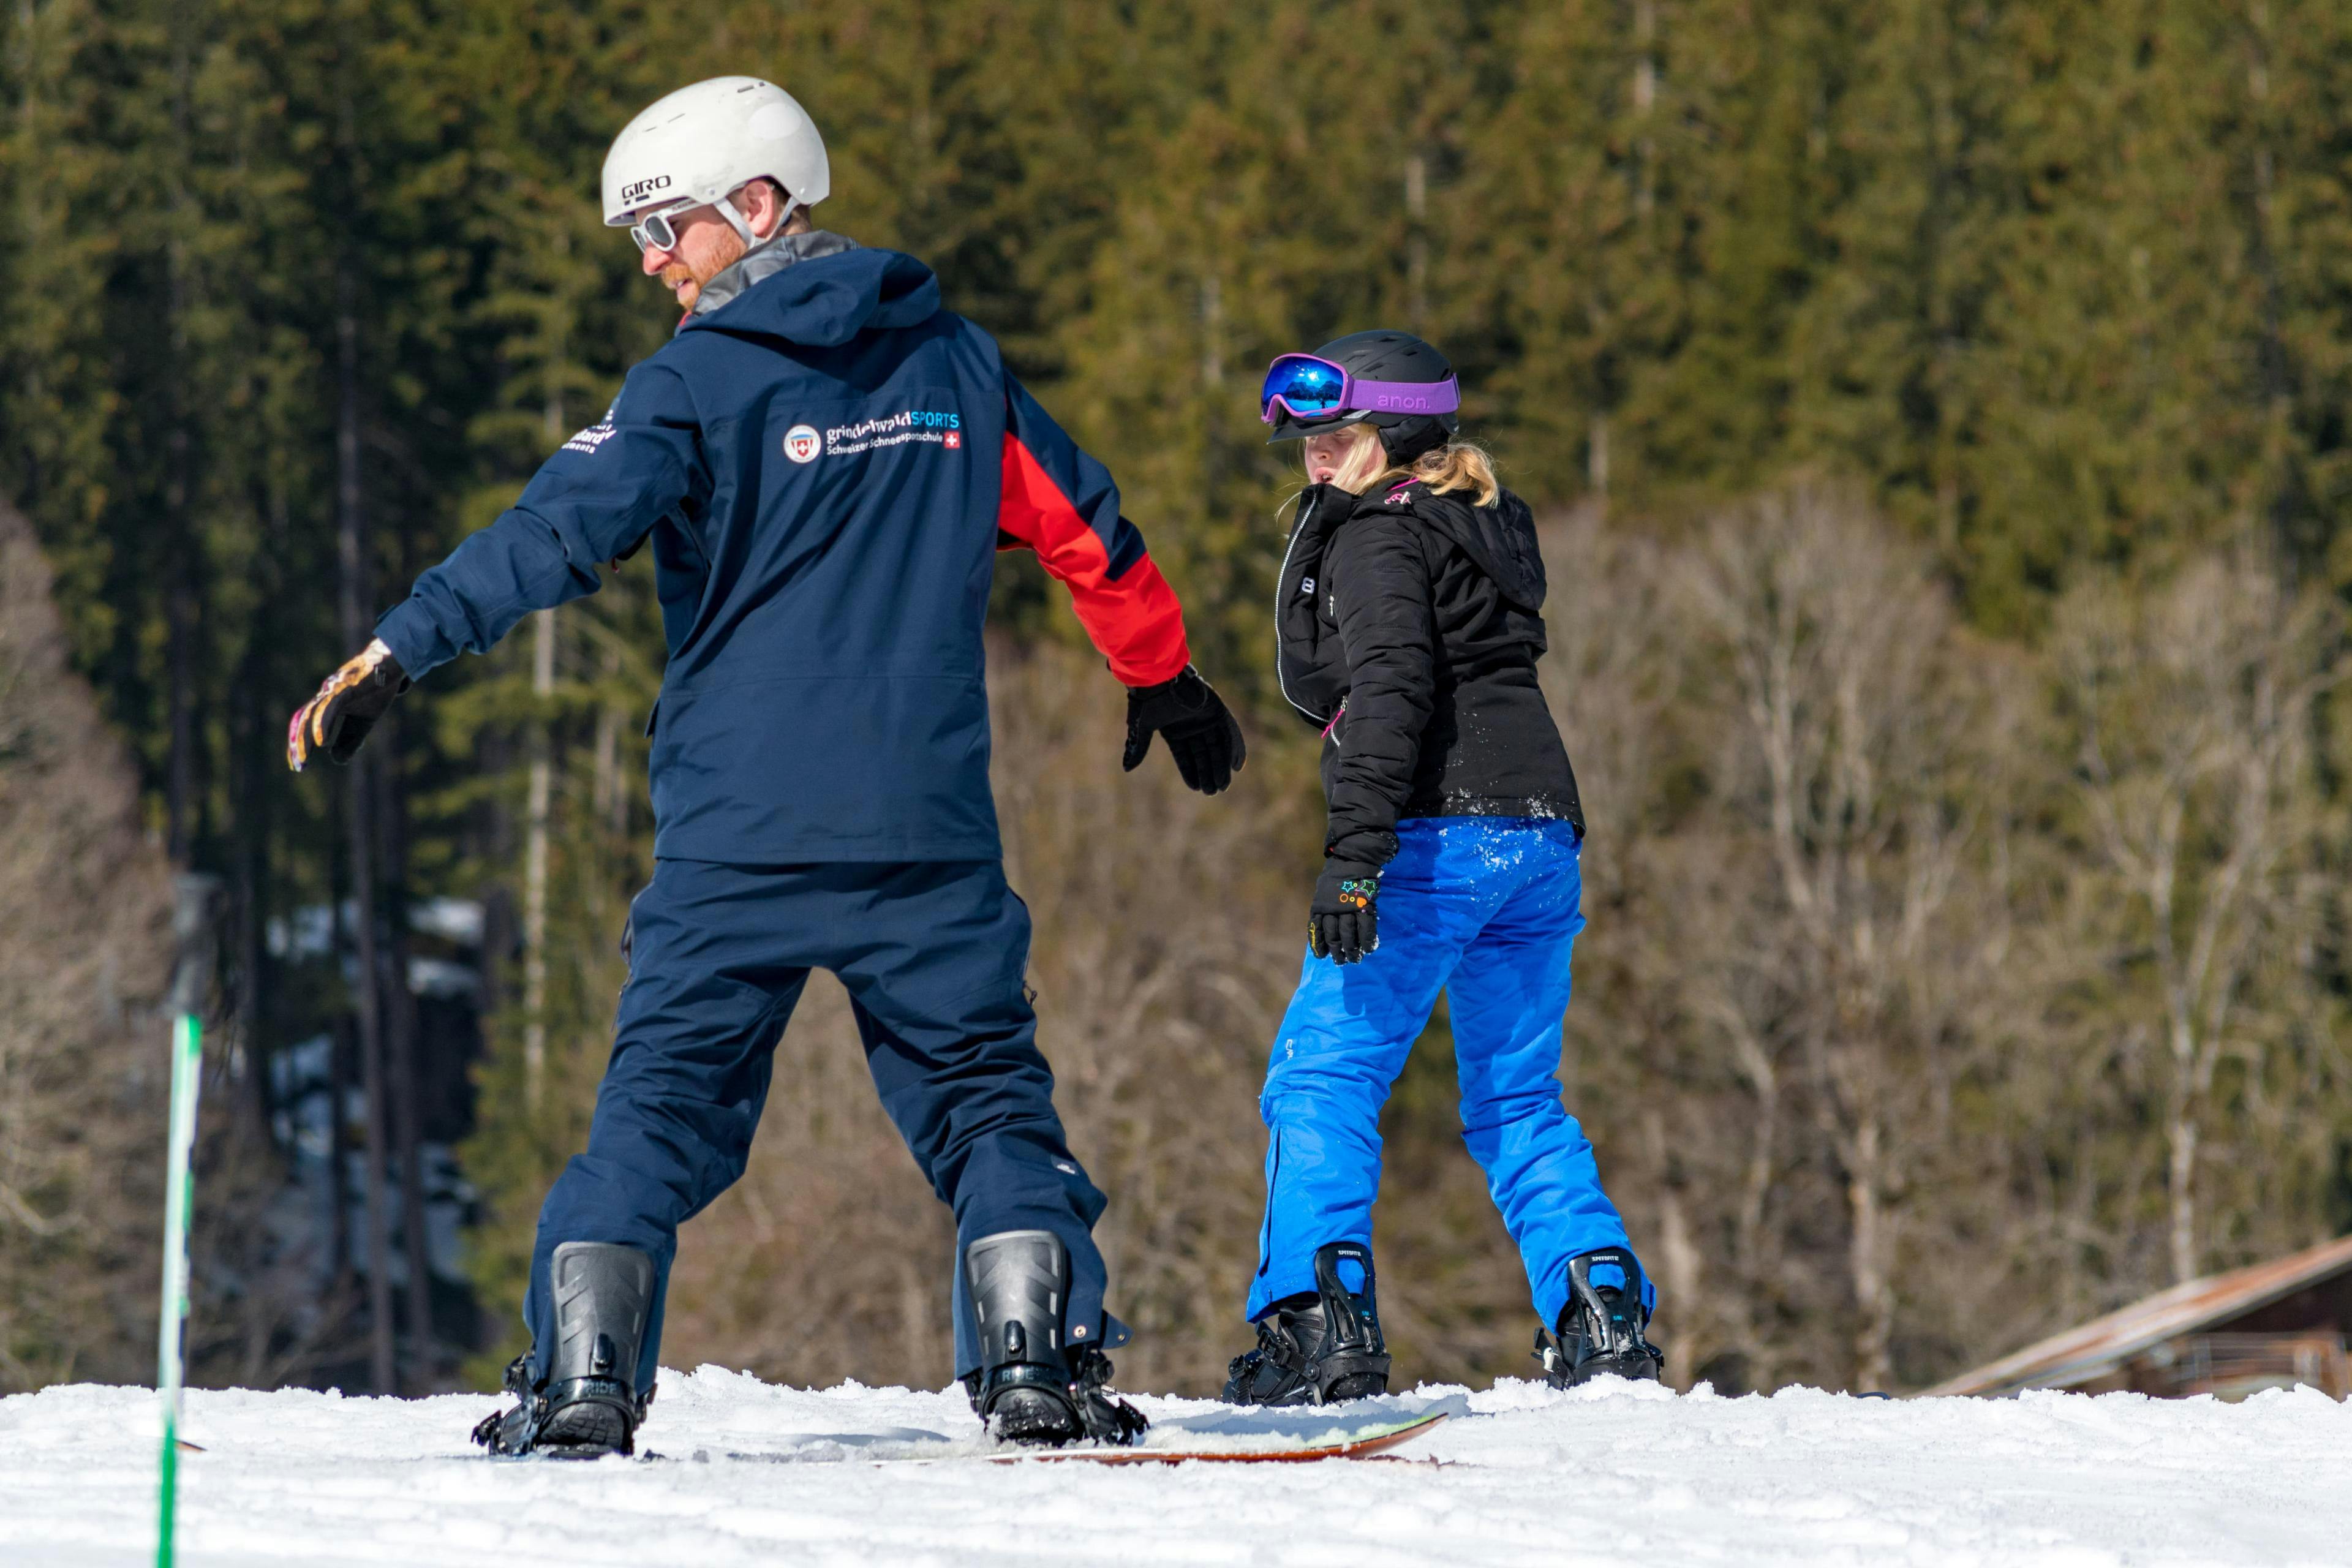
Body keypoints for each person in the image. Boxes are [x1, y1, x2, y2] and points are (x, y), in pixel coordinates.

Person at [286, 76, 1246, 1455]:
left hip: (739, 839)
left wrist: (398, 647)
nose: (651, 265)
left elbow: (553, 529)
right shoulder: (956, 366)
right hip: (924, 830)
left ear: (756, 205)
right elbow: (1088, 530)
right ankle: (1039, 1364)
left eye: (666, 229)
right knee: (983, 1094)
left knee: (663, 1103)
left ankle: (582, 1380)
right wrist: (1161, 672)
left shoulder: (693, 382)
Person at [1221, 330, 1661, 1407]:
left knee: (1322, 1077)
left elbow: (1390, 696)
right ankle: (1599, 1312)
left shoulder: (1378, 542)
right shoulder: (1488, 524)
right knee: (1518, 1101)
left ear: (1400, 434)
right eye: (1307, 443)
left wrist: (1355, 859)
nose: (1316, 461)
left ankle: (1314, 1323)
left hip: (1434, 835)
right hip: (1540, 838)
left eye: (1339, 438)